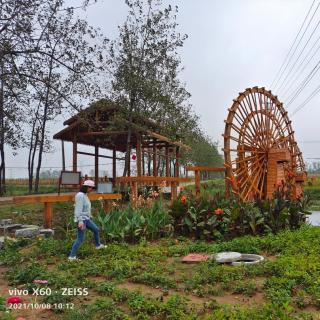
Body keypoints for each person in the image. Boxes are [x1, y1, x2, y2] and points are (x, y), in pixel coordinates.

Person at [68, 180, 106, 261]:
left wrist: (89, 215)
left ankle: (98, 245)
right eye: (91, 187)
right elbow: (78, 209)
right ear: (86, 187)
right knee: (80, 239)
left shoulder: (85, 195)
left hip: (86, 219)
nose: (91, 189)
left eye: (92, 188)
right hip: (82, 220)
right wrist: (80, 221)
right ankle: (72, 256)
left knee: (96, 229)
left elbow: (85, 207)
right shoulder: (80, 196)